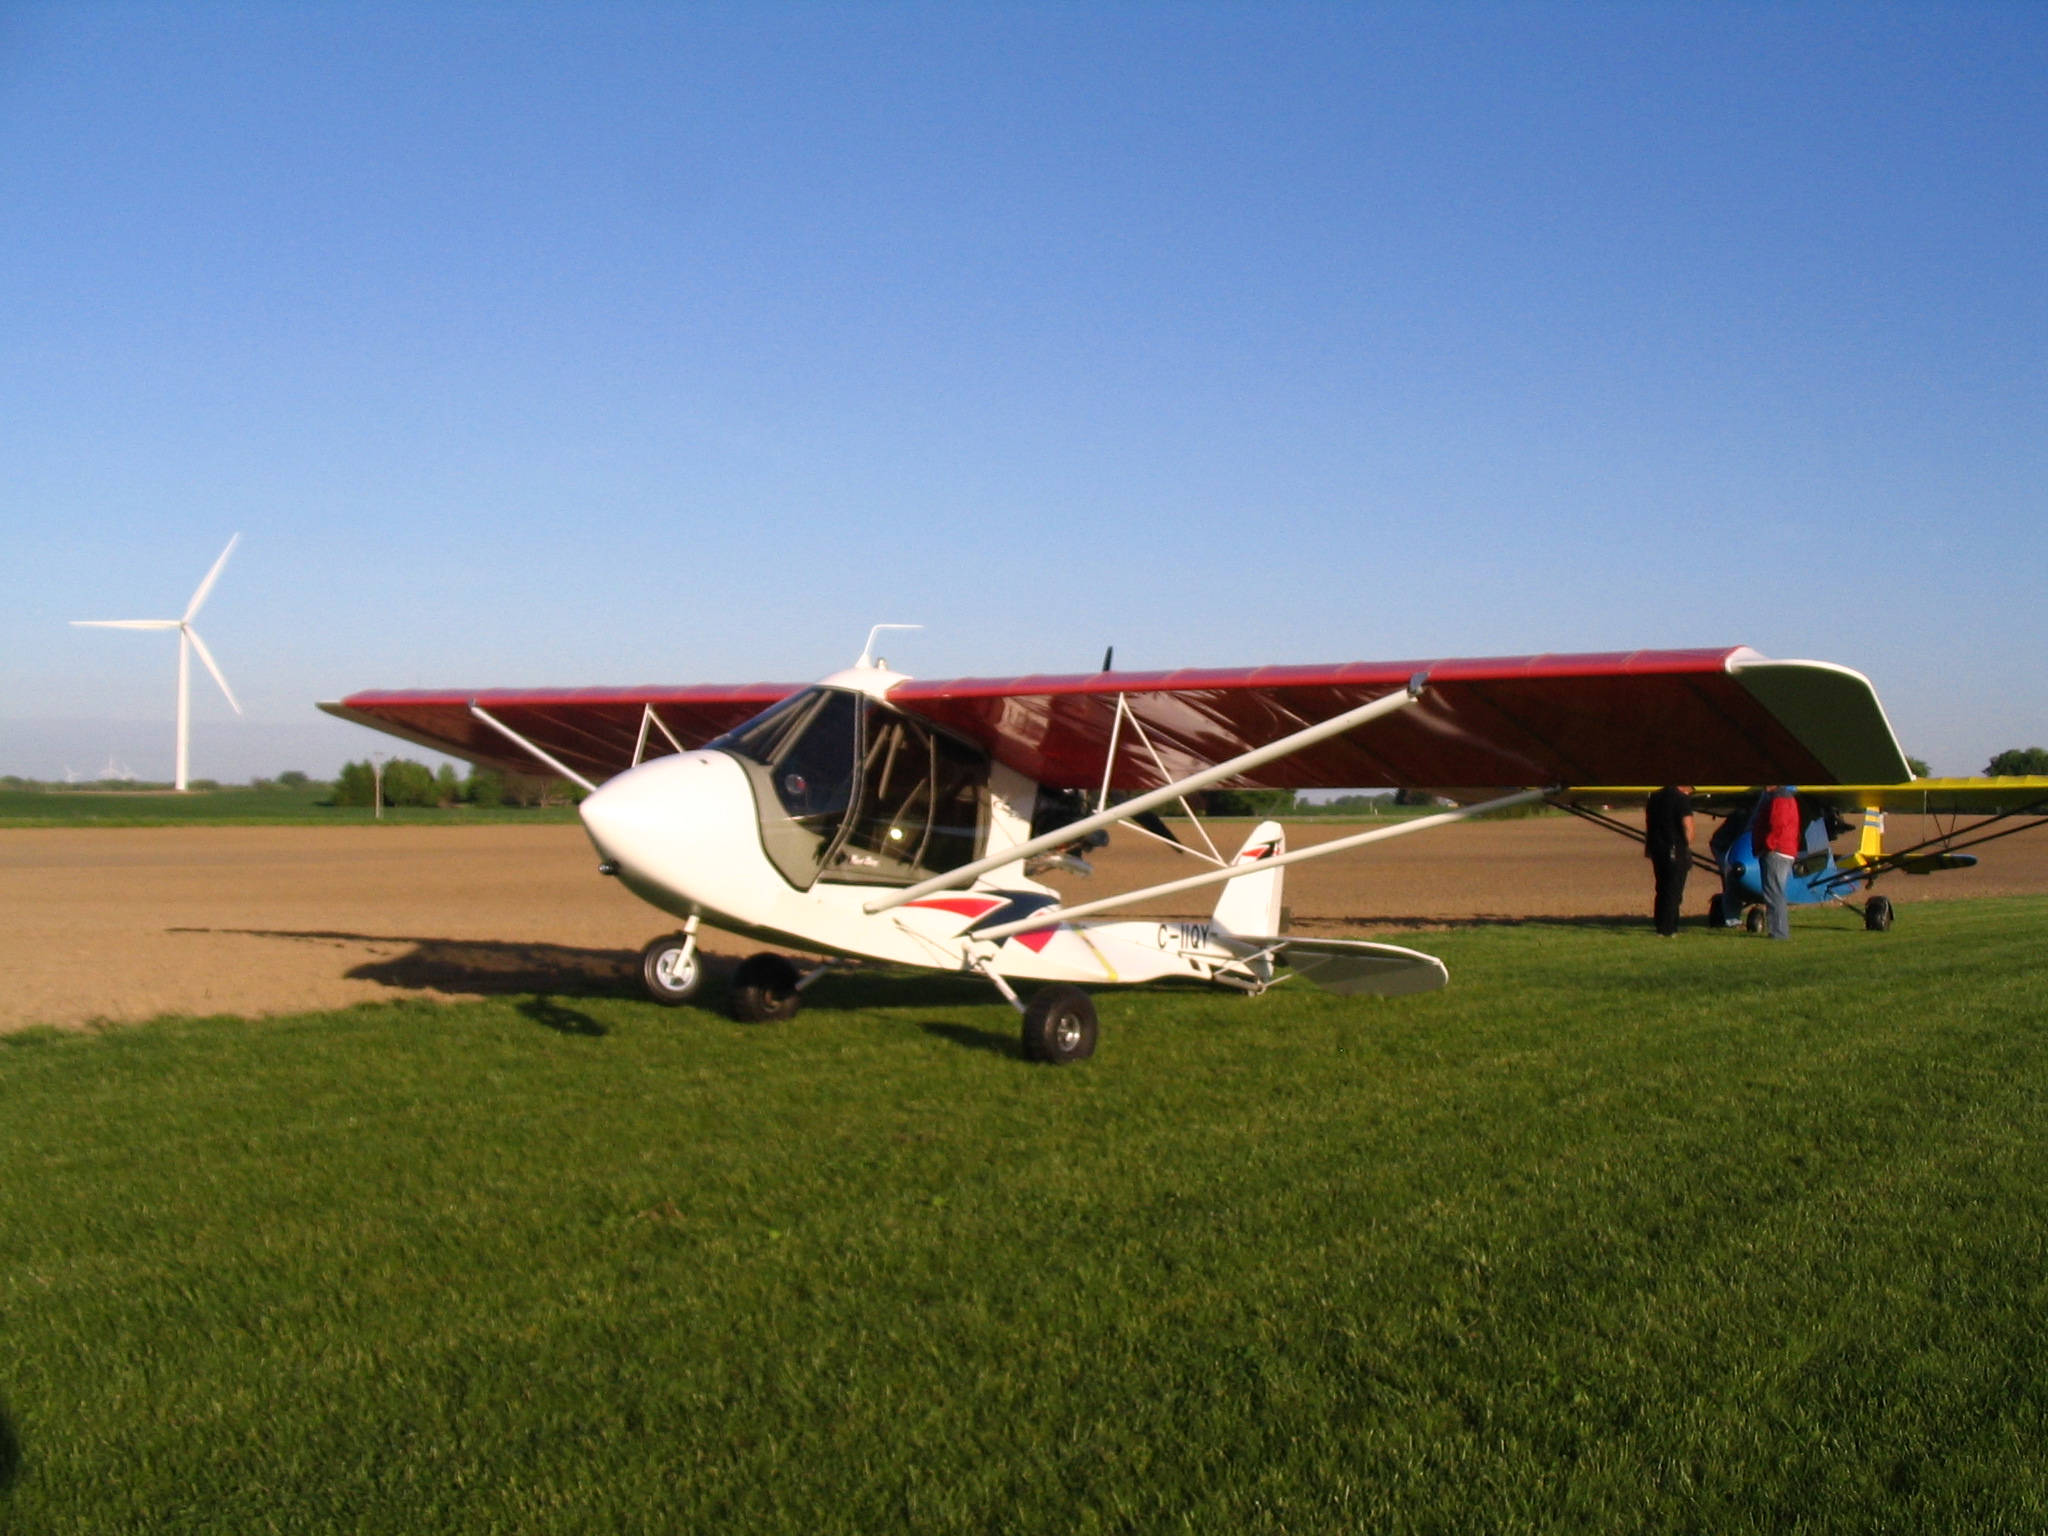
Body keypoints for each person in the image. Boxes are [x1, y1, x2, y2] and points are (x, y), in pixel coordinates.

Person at [1644, 785, 1695, 936]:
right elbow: (1688, 825)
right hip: (1675, 849)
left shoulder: (1654, 797)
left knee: (1661, 888)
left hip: (1656, 848)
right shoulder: (1682, 799)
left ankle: (1661, 925)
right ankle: (1668, 928)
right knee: (1674, 890)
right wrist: (1688, 843)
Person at [1754, 784, 1802, 940]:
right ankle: (1778, 930)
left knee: (1773, 893)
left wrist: (1769, 845)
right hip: (1785, 850)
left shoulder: (1779, 799)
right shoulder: (1786, 797)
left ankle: (1779, 932)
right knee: (1776, 892)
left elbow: (1778, 824)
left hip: (1777, 851)